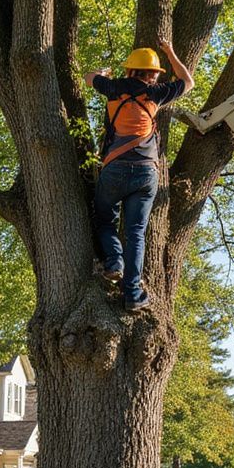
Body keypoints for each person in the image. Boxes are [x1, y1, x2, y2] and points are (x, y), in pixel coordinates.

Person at [85, 38, 194, 311]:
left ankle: (114, 262)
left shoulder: (113, 88)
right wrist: (170, 50)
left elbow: (89, 77)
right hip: (147, 172)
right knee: (136, 232)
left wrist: (102, 72)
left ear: (129, 70)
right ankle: (133, 294)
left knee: (104, 220)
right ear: (154, 74)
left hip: (115, 167)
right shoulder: (157, 93)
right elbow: (188, 81)